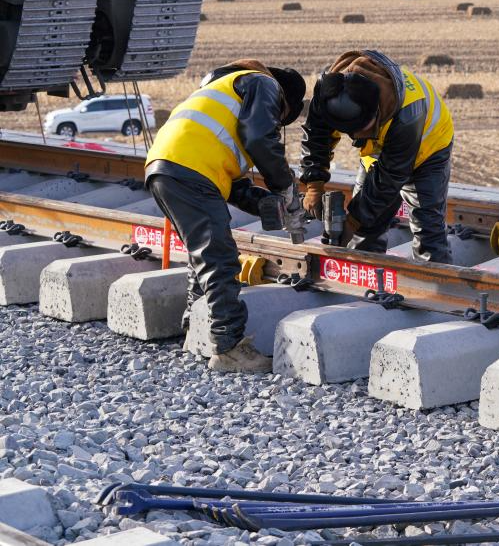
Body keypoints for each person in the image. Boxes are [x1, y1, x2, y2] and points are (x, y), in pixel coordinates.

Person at [145, 59, 306, 373]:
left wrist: (267, 203)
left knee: (203, 255)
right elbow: (260, 138)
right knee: (220, 258)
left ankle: (194, 328)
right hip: (189, 170)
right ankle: (229, 348)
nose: (276, 123)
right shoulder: (263, 83)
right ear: (284, 101)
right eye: (279, 118)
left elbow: (230, 184)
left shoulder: (225, 95)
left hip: (166, 168)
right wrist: (285, 185)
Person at [299, 50, 454, 263]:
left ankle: (435, 276)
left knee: (428, 229)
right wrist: (314, 184)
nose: (355, 137)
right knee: (366, 227)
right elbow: (316, 135)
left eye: (361, 130)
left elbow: (389, 178)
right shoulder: (330, 91)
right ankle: (366, 272)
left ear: (377, 111)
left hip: (429, 150)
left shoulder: (408, 115)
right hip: (381, 150)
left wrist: (352, 222)